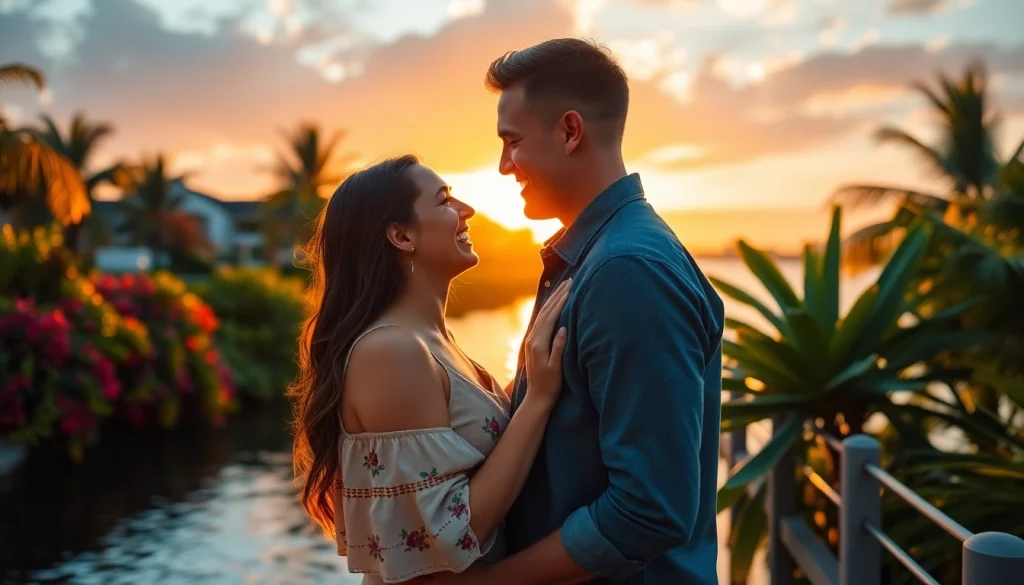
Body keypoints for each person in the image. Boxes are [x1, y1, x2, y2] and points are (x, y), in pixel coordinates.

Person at [411, 38, 725, 585]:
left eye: (512, 142)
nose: (505, 166)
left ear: (571, 131)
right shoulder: (596, 256)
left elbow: (648, 511)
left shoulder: (627, 271)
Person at [289, 154, 572, 584]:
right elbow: (451, 531)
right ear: (402, 236)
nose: (466, 211)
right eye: (444, 201)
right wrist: (538, 400)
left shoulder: (431, 342)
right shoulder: (389, 351)